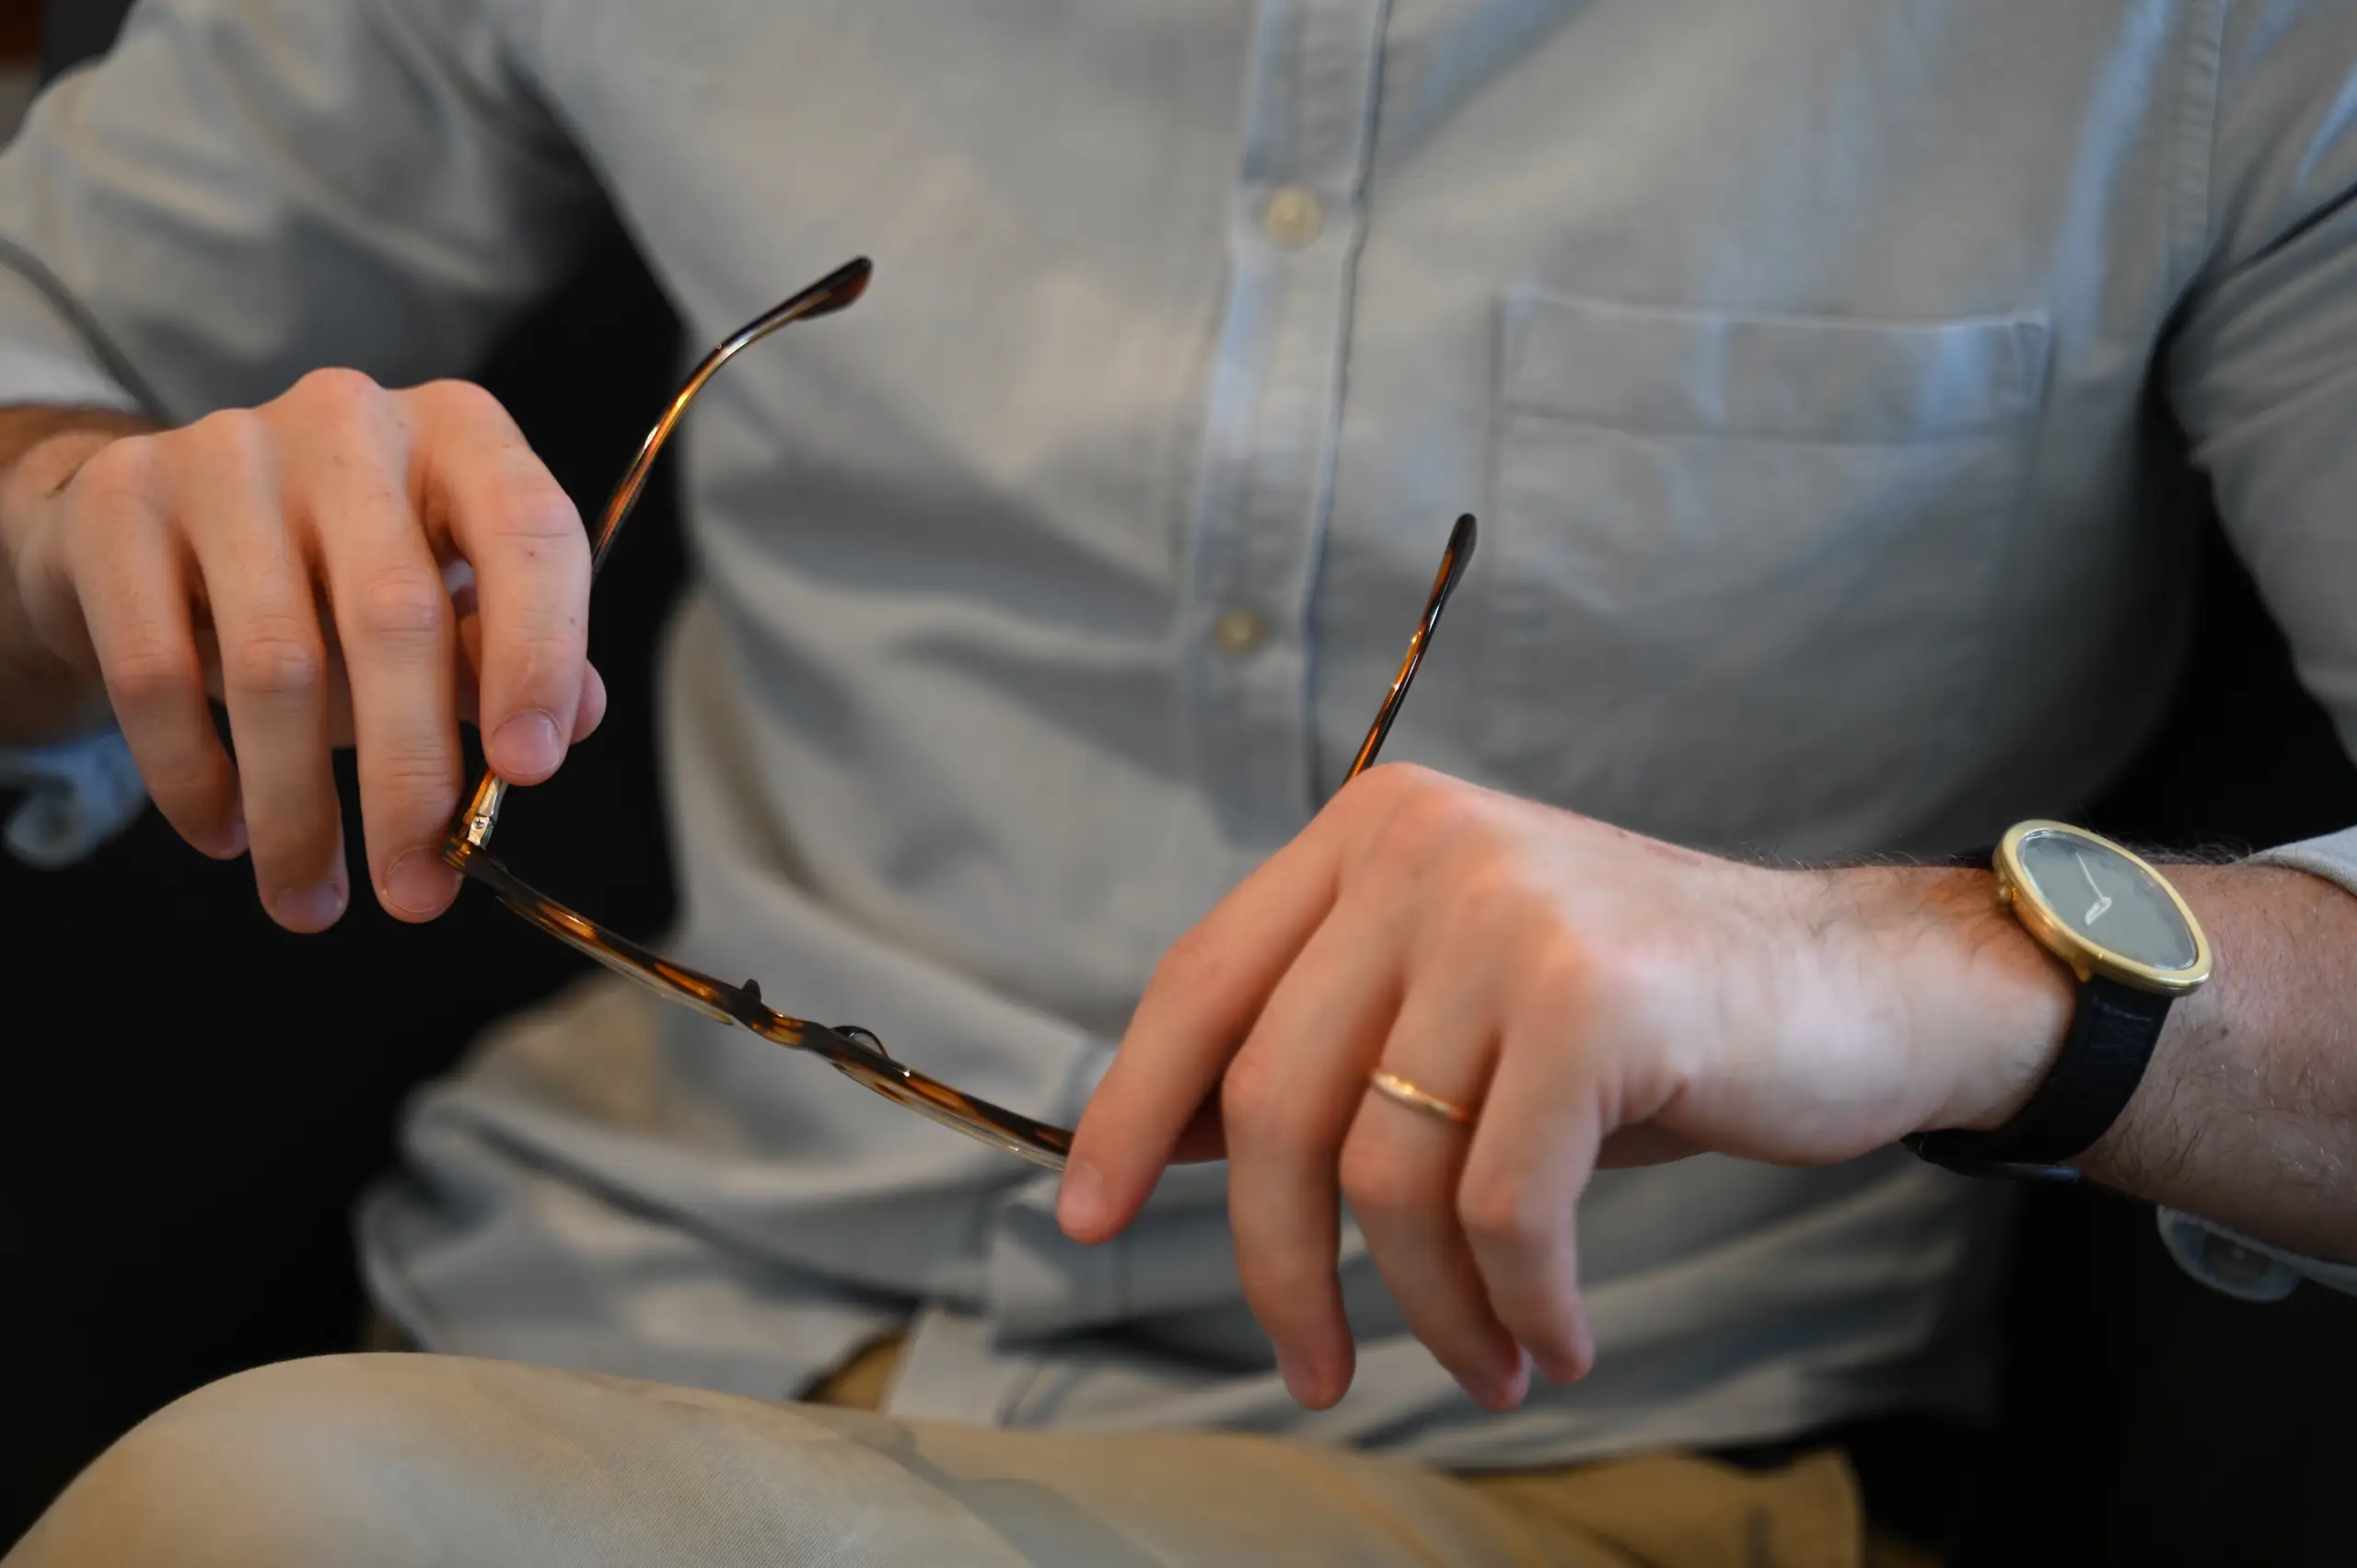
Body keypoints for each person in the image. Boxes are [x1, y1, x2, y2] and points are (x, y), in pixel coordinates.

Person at [4, 1, 2356, 1562]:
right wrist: (73, 520)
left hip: (1552, 1466)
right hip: (582, 1311)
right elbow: (45, 343)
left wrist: (1941, 970)